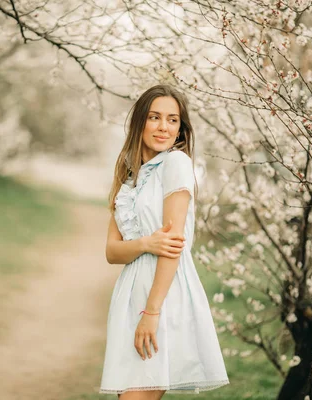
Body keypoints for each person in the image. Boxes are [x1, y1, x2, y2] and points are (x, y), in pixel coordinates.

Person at [99, 84, 229, 399]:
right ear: (140, 121)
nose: (163, 127)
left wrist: (152, 312)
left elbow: (173, 246)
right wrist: (145, 244)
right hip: (131, 294)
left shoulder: (176, 164)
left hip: (162, 295)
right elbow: (112, 252)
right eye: (155, 117)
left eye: (172, 120)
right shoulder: (128, 175)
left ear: (181, 128)